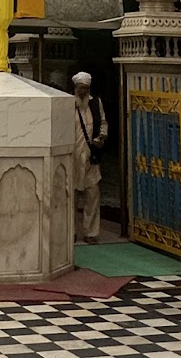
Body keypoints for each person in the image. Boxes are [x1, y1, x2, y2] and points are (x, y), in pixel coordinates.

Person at [72, 71, 105, 244]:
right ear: (75, 88)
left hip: (91, 156)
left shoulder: (95, 103)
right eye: (80, 88)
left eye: (85, 88)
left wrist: (101, 138)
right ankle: (71, 232)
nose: (83, 92)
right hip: (73, 158)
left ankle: (91, 233)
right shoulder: (68, 104)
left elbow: (103, 124)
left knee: (92, 195)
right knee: (71, 198)